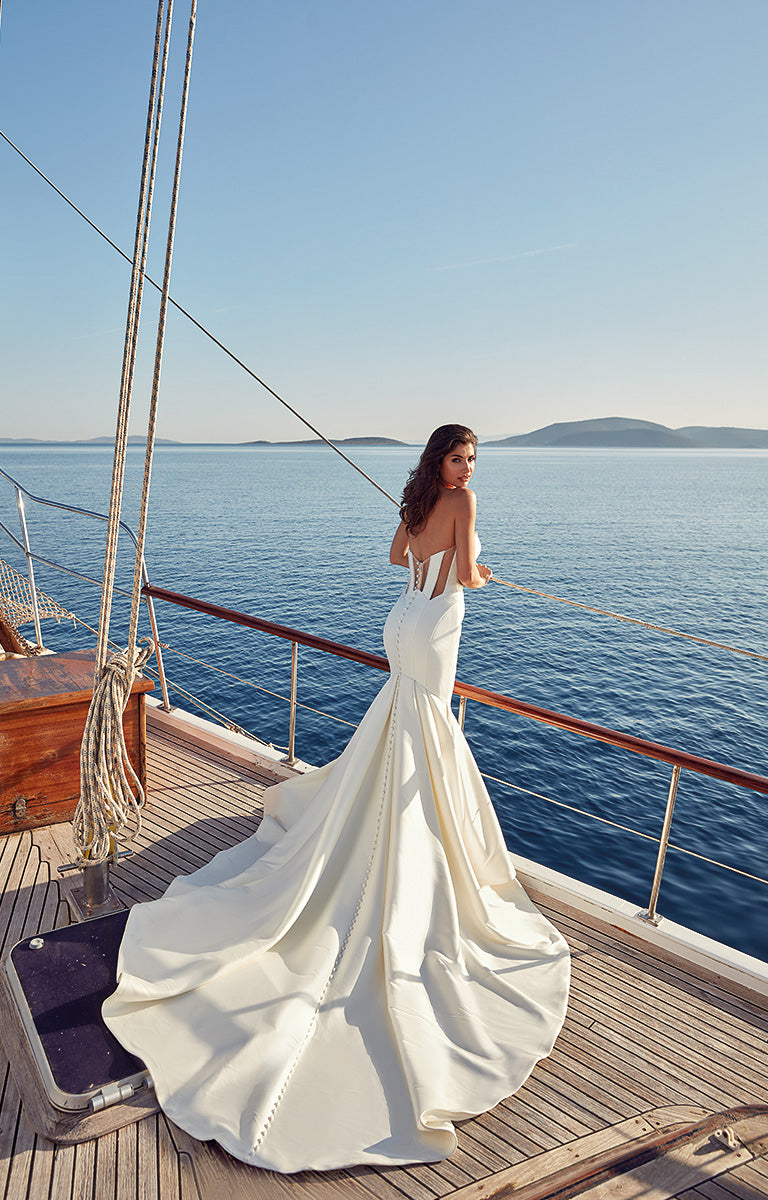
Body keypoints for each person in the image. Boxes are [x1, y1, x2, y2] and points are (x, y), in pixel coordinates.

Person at [103, 424, 570, 1174]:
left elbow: (398, 557)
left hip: (403, 624)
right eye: (460, 458)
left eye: (472, 460)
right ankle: (408, 850)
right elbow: (472, 568)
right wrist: (481, 574)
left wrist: (436, 553)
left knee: (402, 726)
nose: (467, 469)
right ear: (443, 462)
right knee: (427, 733)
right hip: (438, 628)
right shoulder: (464, 502)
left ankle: (380, 831)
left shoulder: (419, 502)